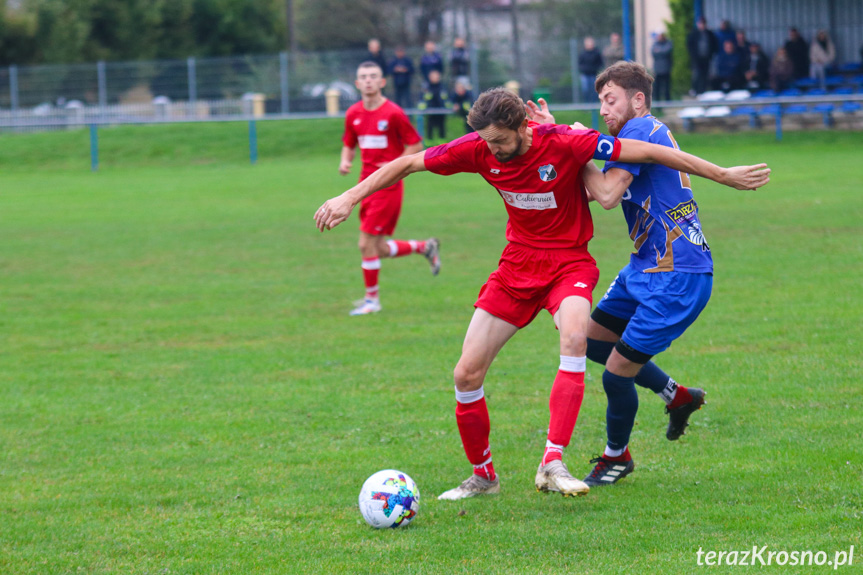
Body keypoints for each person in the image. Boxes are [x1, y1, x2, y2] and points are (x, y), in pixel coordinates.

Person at [316, 87, 770, 500]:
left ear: (522, 127)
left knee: (574, 339)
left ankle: (552, 461)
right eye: (486, 142)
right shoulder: (479, 148)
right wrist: (348, 197)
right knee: (466, 374)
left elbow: (650, 150)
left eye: (499, 140)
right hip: (516, 267)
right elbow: (407, 163)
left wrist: (723, 175)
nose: (492, 150)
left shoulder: (565, 141)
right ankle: (483, 477)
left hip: (569, 264)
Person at [525, 61, 770, 486]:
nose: (604, 109)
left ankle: (616, 457)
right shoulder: (634, 136)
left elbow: (602, 195)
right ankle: (677, 397)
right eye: (600, 101)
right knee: (590, 342)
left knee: (615, 372)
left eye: (611, 99)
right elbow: (597, 186)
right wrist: (565, 140)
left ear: (638, 99)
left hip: (678, 274)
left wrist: (568, 141)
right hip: (646, 266)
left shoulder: (639, 130)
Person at [338, 61, 440, 316]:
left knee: (365, 244)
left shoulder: (393, 113)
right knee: (378, 248)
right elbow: (350, 142)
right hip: (364, 186)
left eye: (374, 76)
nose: (369, 80)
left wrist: (394, 166)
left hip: (388, 187)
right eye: (364, 77)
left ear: (383, 82)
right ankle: (424, 247)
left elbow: (415, 145)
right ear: (357, 83)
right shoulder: (353, 113)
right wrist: (345, 160)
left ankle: (372, 300)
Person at [687, 18, 719, 95]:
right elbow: (690, 46)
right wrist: (694, 56)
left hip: (706, 58)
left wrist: (711, 55)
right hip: (697, 59)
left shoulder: (709, 34)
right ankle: (695, 90)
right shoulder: (694, 34)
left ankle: (703, 90)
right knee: (697, 74)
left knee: (705, 74)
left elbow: (714, 45)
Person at [418, 70, 450, 141]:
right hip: (430, 111)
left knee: (441, 127)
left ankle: (442, 145)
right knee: (430, 127)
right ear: (430, 77)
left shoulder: (442, 87)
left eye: (437, 76)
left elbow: (446, 98)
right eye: (434, 76)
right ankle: (429, 144)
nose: (436, 78)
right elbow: (422, 100)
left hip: (441, 111)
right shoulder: (426, 87)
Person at [578, 37, 604, 102]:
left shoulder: (597, 53)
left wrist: (594, 69)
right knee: (586, 90)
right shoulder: (582, 53)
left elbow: (600, 63)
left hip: (594, 74)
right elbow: (580, 63)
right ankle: (586, 105)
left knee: (594, 91)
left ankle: (594, 106)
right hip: (585, 75)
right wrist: (583, 69)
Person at [651, 32, 673, 102]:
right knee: (657, 87)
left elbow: (667, 51)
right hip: (657, 69)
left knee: (666, 86)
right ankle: (658, 103)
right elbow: (653, 52)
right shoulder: (655, 44)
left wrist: (659, 51)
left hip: (666, 68)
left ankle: (667, 102)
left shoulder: (668, 43)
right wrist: (661, 51)